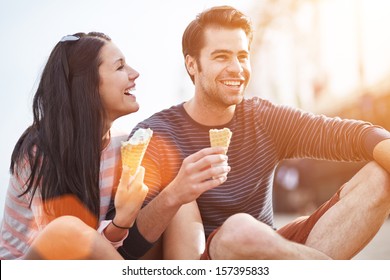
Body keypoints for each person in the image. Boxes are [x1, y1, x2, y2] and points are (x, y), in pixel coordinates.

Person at [116, 5, 390, 259]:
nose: (236, 69)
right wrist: (174, 193)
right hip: (213, 259)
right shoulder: (155, 133)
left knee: (380, 177)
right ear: (192, 65)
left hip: (276, 253)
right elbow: (128, 245)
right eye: (221, 57)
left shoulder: (264, 118)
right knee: (239, 230)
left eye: (242, 56)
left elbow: (349, 136)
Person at [0, 32, 149, 259]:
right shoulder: (40, 151)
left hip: (96, 256)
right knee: (66, 227)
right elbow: (66, 247)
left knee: (173, 196)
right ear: (88, 85)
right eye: (120, 67)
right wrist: (121, 223)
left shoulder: (125, 144)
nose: (134, 74)